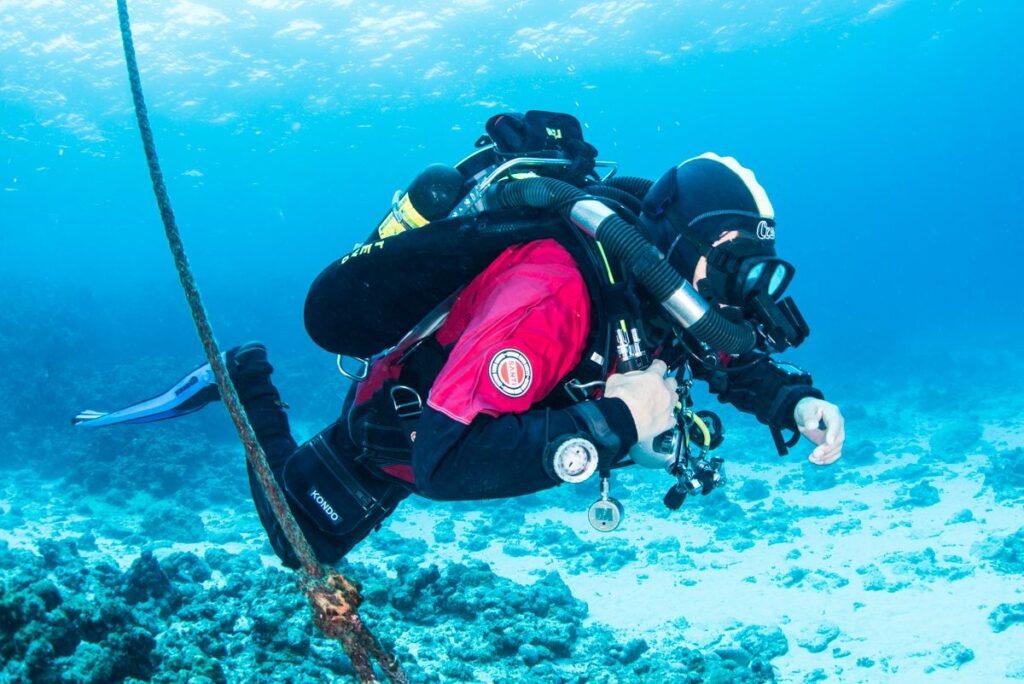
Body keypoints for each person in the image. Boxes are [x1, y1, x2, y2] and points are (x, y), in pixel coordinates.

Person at [75, 112, 845, 568]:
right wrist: (618, 424)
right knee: (299, 542)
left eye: (760, 262)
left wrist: (792, 399)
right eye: (735, 259)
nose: (743, 287)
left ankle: (244, 378)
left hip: (484, 419)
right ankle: (243, 378)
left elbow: (718, 353)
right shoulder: (555, 290)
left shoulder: (659, 287)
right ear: (677, 240)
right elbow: (443, 462)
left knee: (310, 539)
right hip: (402, 431)